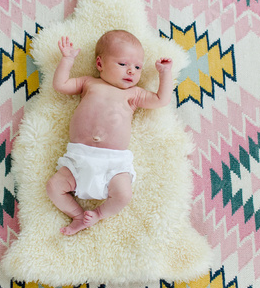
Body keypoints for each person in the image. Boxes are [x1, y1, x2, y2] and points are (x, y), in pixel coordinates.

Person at [46, 30, 173, 235]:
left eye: (138, 67)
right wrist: (67, 60)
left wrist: (165, 74)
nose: (131, 71)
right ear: (99, 64)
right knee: (53, 187)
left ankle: (98, 214)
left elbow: (161, 100)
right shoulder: (89, 83)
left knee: (123, 196)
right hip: (79, 158)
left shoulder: (133, 94)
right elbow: (60, 85)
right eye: (123, 64)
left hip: (113, 163)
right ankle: (78, 215)